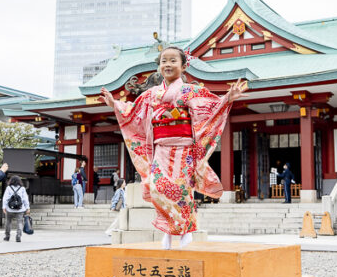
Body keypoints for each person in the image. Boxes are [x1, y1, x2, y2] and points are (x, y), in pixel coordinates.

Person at [101, 46, 246, 249]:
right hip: (161, 147)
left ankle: (186, 229)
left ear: (184, 66)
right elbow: (132, 111)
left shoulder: (192, 91)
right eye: (163, 61)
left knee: (180, 190)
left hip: (183, 148)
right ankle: (168, 230)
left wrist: (227, 98)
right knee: (158, 187)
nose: (167, 65)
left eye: (172, 61)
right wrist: (114, 104)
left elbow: (210, 108)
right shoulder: (151, 94)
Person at [2, 175, 30, 242]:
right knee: (19, 222)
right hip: (20, 209)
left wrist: (4, 207)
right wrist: (27, 208)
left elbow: (5, 198)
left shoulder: (8, 188)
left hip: (9, 209)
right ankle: (18, 236)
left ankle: (7, 236)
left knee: (8, 222)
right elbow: (25, 199)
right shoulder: (22, 188)